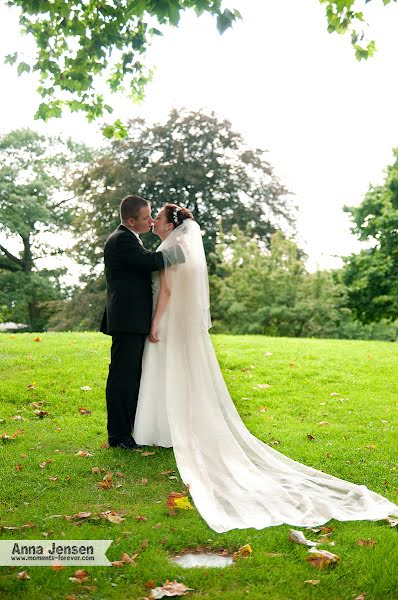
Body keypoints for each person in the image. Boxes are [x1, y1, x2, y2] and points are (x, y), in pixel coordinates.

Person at [133, 203, 398, 533]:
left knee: (168, 375)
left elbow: (169, 290)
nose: (153, 220)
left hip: (171, 321)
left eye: (157, 217)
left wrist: (156, 322)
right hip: (185, 325)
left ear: (171, 224)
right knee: (185, 378)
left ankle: (162, 430)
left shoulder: (170, 247)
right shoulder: (180, 246)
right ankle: (171, 429)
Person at [100, 195, 183, 450]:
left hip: (132, 320)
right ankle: (118, 436)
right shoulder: (122, 240)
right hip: (128, 321)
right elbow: (149, 262)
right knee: (122, 379)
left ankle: (128, 430)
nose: (150, 221)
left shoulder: (129, 238)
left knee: (130, 377)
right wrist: (180, 249)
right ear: (131, 220)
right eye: (147, 217)